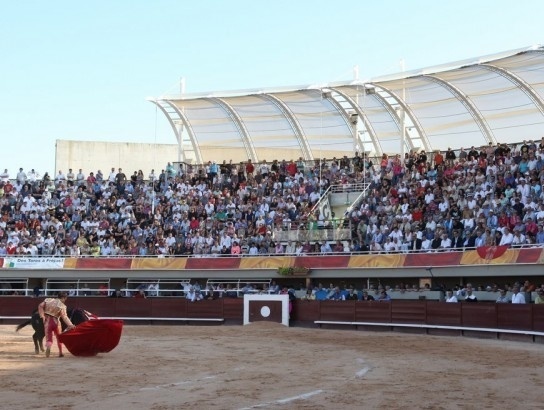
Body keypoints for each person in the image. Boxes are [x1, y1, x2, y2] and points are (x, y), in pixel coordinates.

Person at [37, 291, 76, 357]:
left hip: (47, 322)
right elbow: (64, 317)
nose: (65, 300)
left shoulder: (48, 300)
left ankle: (48, 347)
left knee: (49, 338)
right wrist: (70, 325)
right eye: (65, 298)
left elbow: (40, 306)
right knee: (59, 338)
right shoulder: (62, 306)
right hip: (56, 323)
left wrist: (42, 316)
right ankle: (60, 353)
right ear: (63, 298)